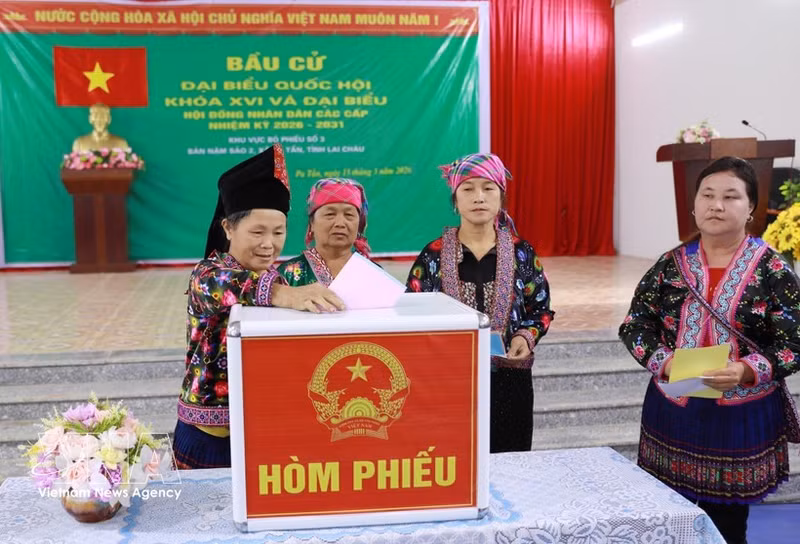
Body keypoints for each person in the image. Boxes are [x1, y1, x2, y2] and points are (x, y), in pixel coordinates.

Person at [619, 156, 800, 544]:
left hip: (739, 416)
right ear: (694, 204)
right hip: (674, 410)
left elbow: (794, 343)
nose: (716, 205)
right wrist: (663, 361)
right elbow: (635, 326)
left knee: (728, 526)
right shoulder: (670, 266)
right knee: (670, 516)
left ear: (751, 207)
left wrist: (748, 370)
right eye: (708, 195)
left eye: (731, 196)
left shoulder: (773, 270)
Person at [174, 145, 345, 470]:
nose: (269, 244)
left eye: (278, 232)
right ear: (228, 228)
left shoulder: (275, 276)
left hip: (261, 434)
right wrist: (288, 296)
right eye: (257, 232)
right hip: (208, 438)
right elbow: (232, 286)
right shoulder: (208, 273)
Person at [405, 152, 554, 453]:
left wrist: (526, 337)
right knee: (451, 460)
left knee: (510, 462)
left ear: (501, 197)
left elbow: (541, 309)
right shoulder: (432, 255)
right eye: (468, 189)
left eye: (488, 188)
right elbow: (411, 313)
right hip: (448, 381)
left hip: (510, 380)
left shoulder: (522, 252)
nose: (479, 197)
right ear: (455, 200)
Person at [279, 178, 370, 286]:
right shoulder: (287, 274)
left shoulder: (373, 274)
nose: (340, 223)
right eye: (330, 214)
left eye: (349, 215)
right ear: (312, 223)